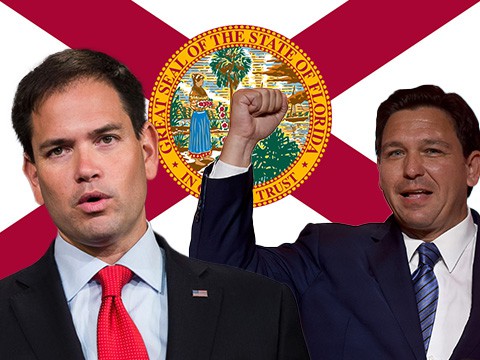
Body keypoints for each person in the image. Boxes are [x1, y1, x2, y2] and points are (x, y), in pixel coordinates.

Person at [0, 49, 309, 360]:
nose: (85, 169)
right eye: (58, 150)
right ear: (34, 177)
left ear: (147, 151)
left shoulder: (264, 307)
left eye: (106, 139)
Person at [190, 85, 480, 359]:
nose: (412, 169)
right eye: (395, 153)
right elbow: (220, 277)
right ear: (379, 170)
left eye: (432, 151)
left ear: (471, 168)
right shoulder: (327, 254)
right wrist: (241, 141)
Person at [188, 73, 213, 166]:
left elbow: (206, 101)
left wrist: (208, 104)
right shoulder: (193, 92)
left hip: (203, 115)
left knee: (205, 134)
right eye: (201, 80)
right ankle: (197, 159)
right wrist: (200, 105)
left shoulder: (202, 90)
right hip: (197, 116)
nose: (202, 82)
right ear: (196, 81)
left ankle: (205, 155)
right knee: (197, 135)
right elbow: (193, 104)